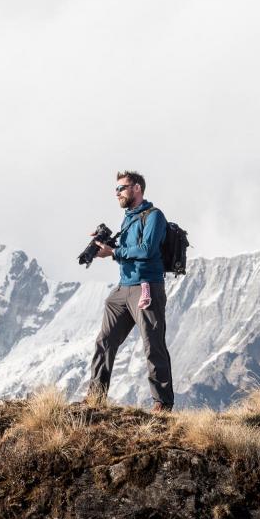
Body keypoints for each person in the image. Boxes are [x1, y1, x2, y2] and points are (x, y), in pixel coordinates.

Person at [86, 170, 175, 412]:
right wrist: (107, 245)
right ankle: (95, 398)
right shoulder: (128, 219)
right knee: (104, 341)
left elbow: (146, 249)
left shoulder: (154, 216)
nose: (117, 193)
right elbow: (128, 249)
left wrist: (113, 252)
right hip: (122, 289)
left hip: (146, 287)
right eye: (116, 189)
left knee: (152, 343)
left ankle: (162, 403)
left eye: (122, 188)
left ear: (137, 188)